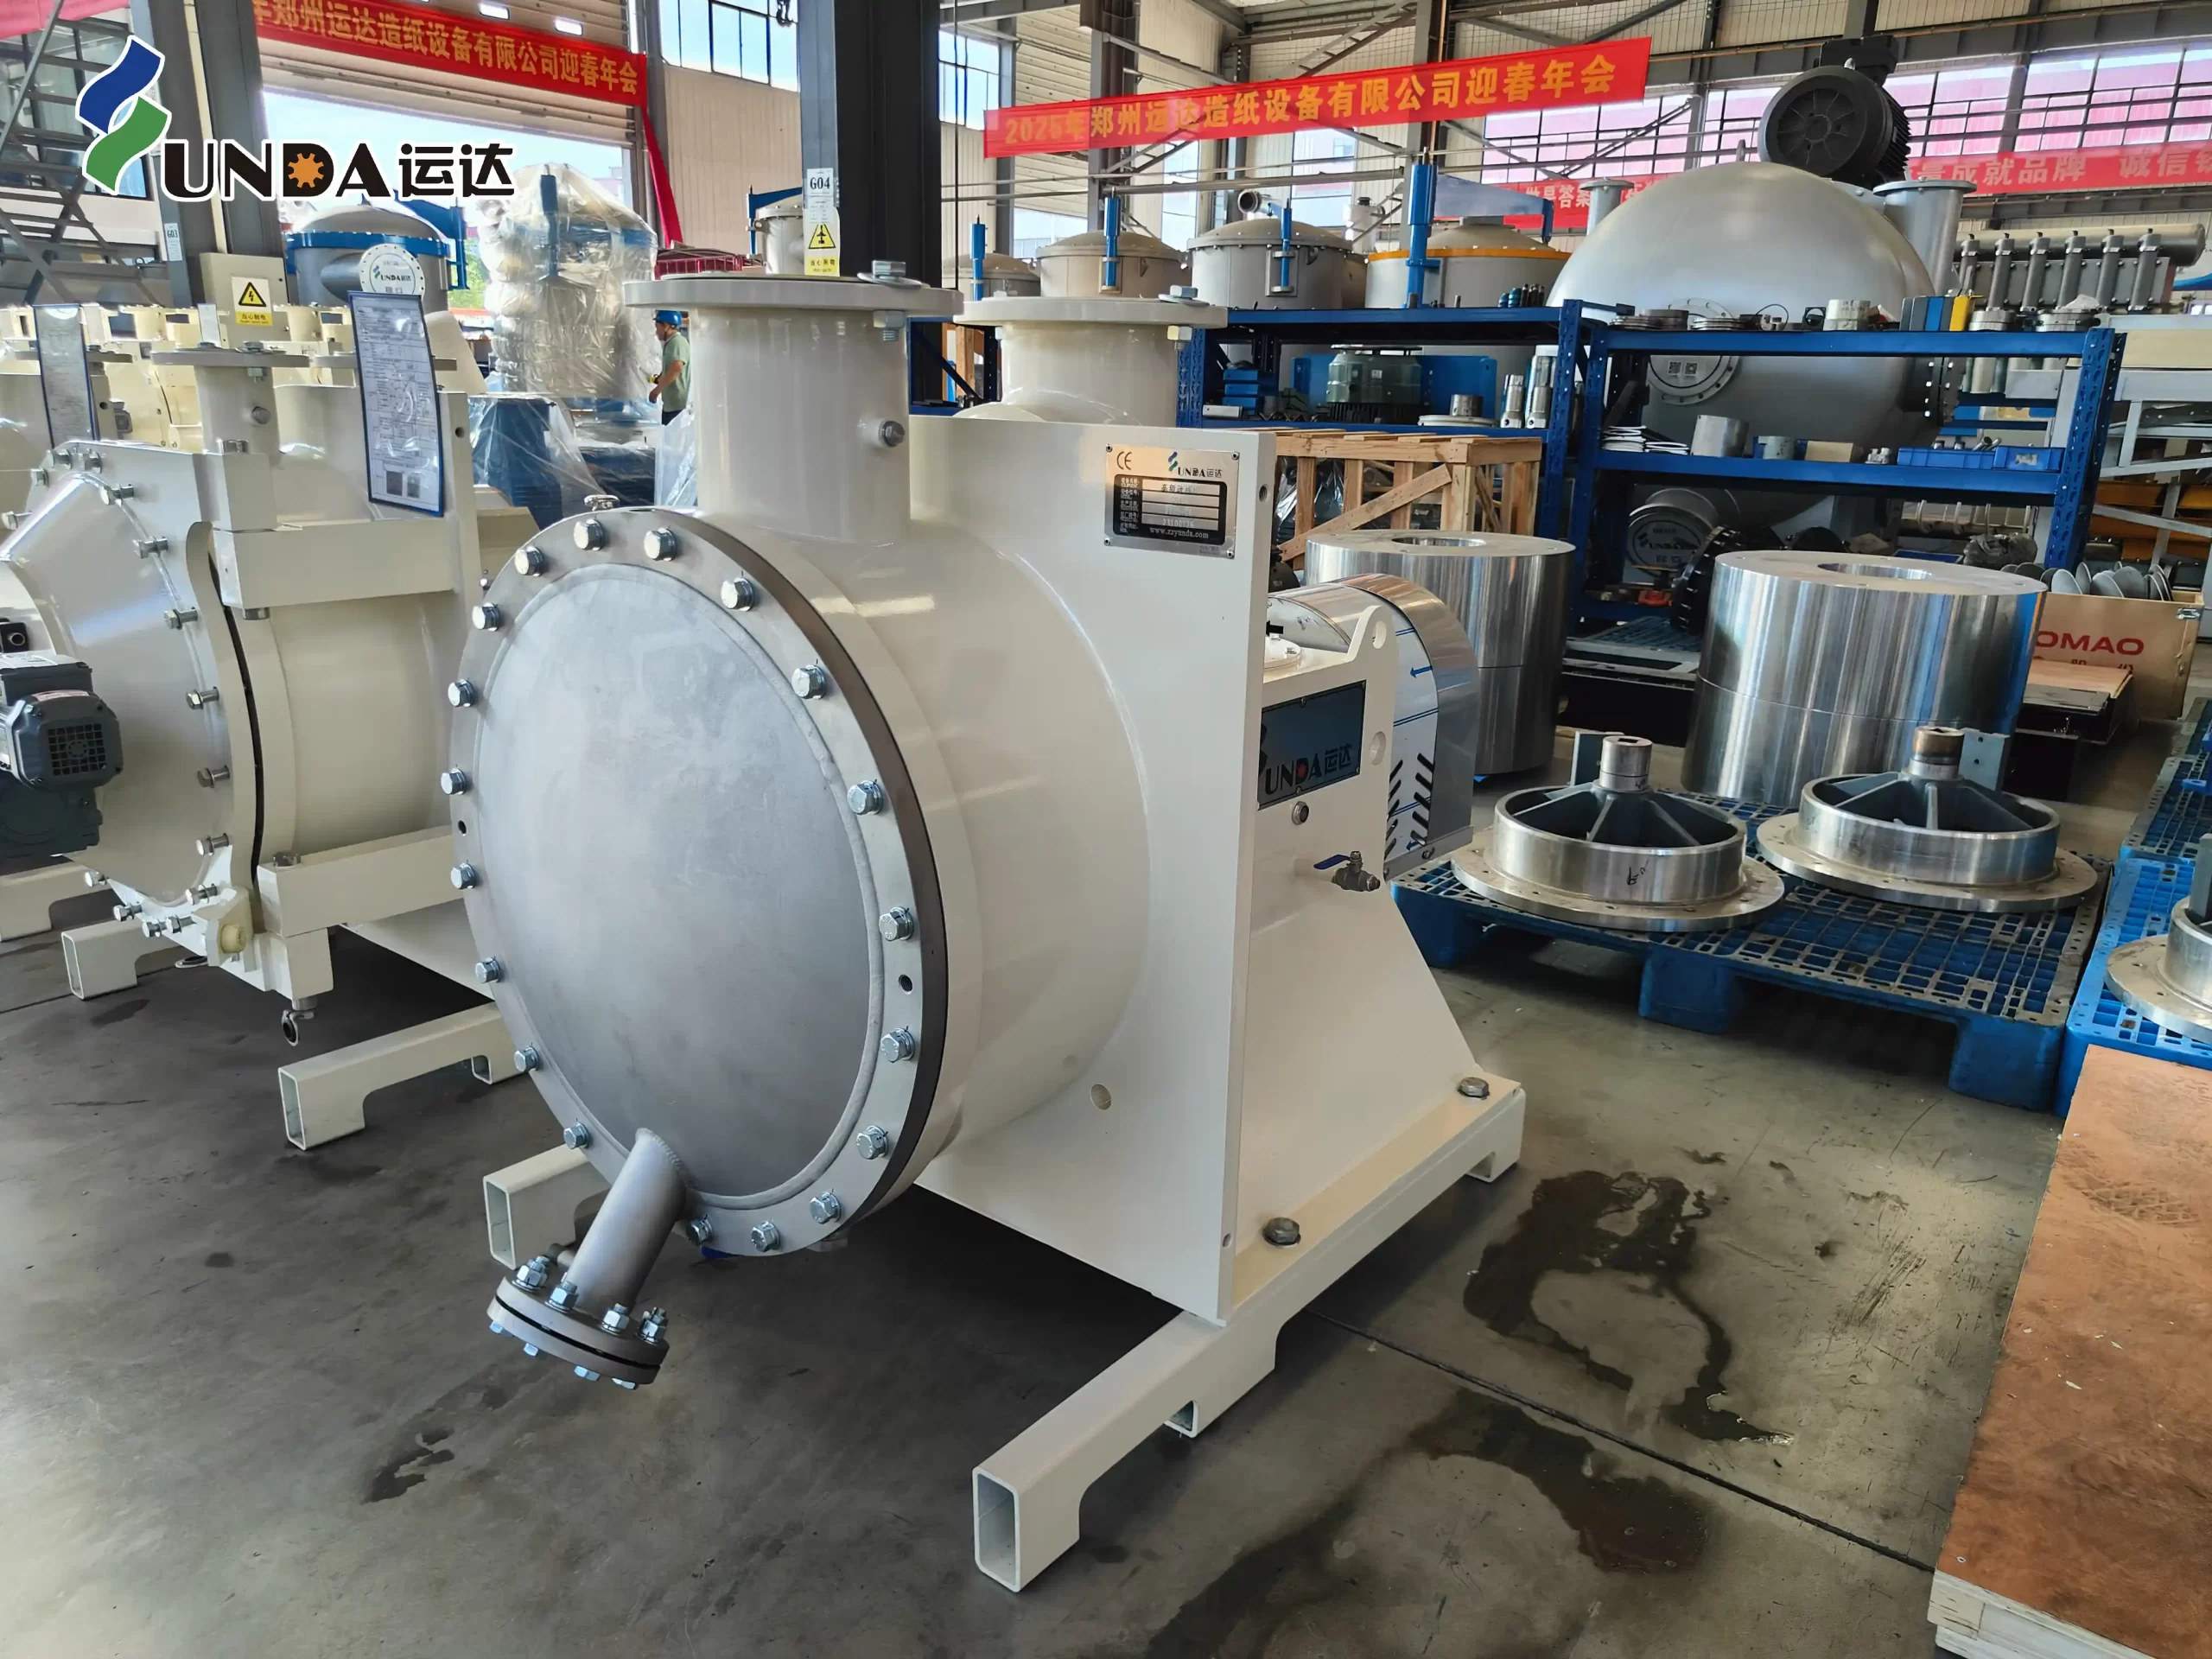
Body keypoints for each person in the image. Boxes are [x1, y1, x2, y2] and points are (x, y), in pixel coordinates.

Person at [648, 309, 689, 423]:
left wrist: (657, 390)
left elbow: (676, 368)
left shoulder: (677, 342)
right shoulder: (671, 343)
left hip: (676, 406)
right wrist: (659, 379)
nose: (656, 331)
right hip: (671, 405)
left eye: (657, 327)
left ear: (666, 326)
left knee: (672, 434)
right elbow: (670, 368)